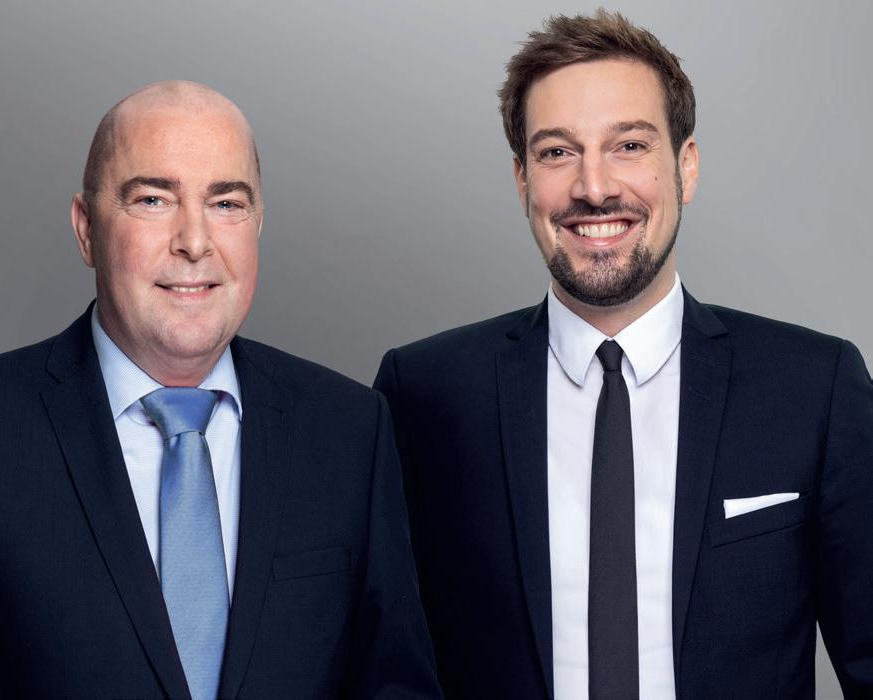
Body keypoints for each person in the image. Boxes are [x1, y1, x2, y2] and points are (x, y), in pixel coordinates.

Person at [374, 10, 873, 700]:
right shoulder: (424, 394)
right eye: (557, 152)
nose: (594, 187)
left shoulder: (815, 387)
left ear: (685, 167)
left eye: (629, 145)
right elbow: (387, 665)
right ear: (522, 180)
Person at [0, 81, 440, 699]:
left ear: (258, 222)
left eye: (226, 203)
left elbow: (395, 684)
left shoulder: (350, 429)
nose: (194, 241)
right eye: (153, 199)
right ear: (86, 229)